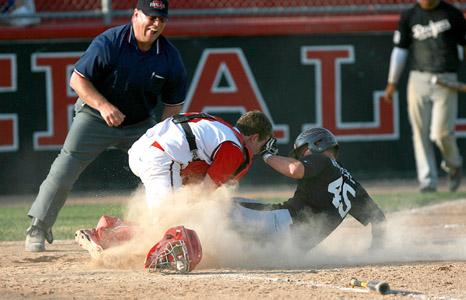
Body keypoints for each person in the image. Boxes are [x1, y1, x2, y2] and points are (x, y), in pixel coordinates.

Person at [25, 0, 187, 252]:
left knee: (165, 167)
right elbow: (77, 80)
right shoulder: (110, 42)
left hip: (139, 124)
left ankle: (167, 230)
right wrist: (103, 105)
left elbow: (172, 107)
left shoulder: (170, 58)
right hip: (95, 117)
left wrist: (163, 141)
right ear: (135, 15)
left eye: (161, 19)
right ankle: (38, 227)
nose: (156, 24)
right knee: (65, 167)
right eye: (151, 17)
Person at [235, 127, 386, 251]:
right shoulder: (350, 182)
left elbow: (295, 170)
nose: (302, 157)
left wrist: (266, 155)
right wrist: (375, 252)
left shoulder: (322, 159)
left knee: (225, 206)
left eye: (302, 152)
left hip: (282, 223)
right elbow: (378, 218)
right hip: (292, 250)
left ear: (315, 145)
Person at [383, 0, 464, 193]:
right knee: (420, 133)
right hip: (418, 78)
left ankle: (454, 165)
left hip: (446, 78)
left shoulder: (451, 13)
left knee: (441, 134)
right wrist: (392, 81)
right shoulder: (409, 15)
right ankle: (428, 181)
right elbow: (400, 49)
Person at [128, 110, 274, 208]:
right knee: (170, 220)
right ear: (254, 138)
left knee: (159, 219)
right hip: (162, 156)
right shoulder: (235, 149)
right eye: (263, 144)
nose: (260, 151)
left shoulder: (220, 126)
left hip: (139, 152)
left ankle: (114, 233)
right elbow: (204, 191)